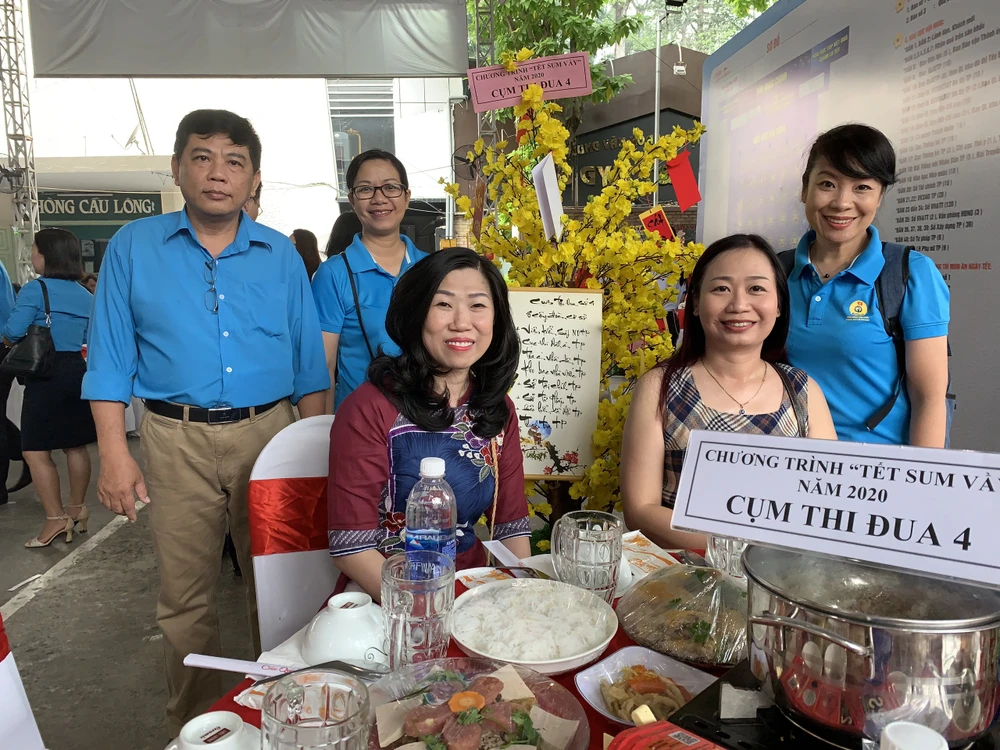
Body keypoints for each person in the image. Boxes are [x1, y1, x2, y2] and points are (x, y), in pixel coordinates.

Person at [82, 109, 329, 732]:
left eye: (234, 161)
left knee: (282, 584)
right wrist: (114, 454)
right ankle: (200, 728)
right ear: (177, 168)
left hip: (270, 436)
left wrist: (314, 457)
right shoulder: (133, 247)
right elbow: (109, 359)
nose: (218, 173)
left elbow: (309, 368)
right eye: (202, 157)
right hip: (174, 439)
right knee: (185, 595)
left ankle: (289, 716)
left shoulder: (279, 255)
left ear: (254, 179)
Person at [327, 248, 530, 600]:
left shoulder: (496, 409)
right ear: (416, 313)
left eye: (478, 305)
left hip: (472, 592)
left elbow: (510, 527)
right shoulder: (369, 408)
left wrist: (522, 599)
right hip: (388, 596)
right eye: (443, 304)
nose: (462, 322)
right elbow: (351, 547)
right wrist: (428, 611)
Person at [620, 234, 837, 551]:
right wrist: (739, 549)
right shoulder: (660, 387)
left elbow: (828, 505)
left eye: (756, 288)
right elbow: (640, 510)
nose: (739, 305)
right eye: (721, 288)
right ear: (695, 303)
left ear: (779, 305)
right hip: (686, 575)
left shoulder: (803, 391)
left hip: (780, 575)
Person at [785, 124, 950, 447]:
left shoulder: (909, 273)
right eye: (828, 184)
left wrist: (920, 475)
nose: (842, 202)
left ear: (880, 196)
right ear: (805, 188)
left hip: (876, 467)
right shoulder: (775, 272)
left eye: (862, 187)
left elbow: (929, 399)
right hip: (786, 462)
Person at [311, 149, 427, 413]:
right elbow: (323, 366)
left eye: (390, 187)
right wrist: (322, 428)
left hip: (425, 420)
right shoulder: (334, 274)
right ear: (352, 200)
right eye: (365, 189)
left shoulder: (430, 269)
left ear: (407, 196)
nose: (379, 198)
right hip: (360, 421)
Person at [2, 229, 96, 546]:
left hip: (45, 374)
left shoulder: (35, 289)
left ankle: (55, 520)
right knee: (75, 445)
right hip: (77, 371)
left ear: (47, 255)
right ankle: (77, 509)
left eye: (34, 249)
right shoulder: (86, 295)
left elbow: (13, 332)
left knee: (34, 450)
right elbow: (92, 338)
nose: (31, 255)